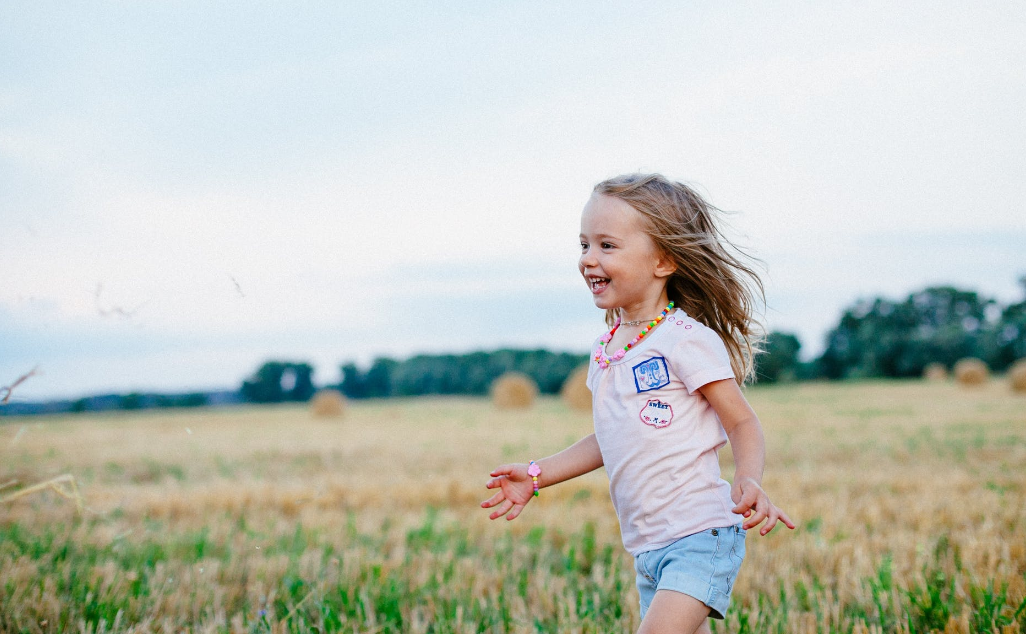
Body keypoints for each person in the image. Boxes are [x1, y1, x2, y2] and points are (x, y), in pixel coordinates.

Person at [481, 173, 795, 634]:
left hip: (700, 537)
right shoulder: (606, 349)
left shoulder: (685, 340)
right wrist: (536, 474)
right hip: (647, 548)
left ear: (664, 260)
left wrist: (748, 478)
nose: (589, 259)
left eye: (607, 246)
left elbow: (742, 421)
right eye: (584, 245)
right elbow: (609, 437)